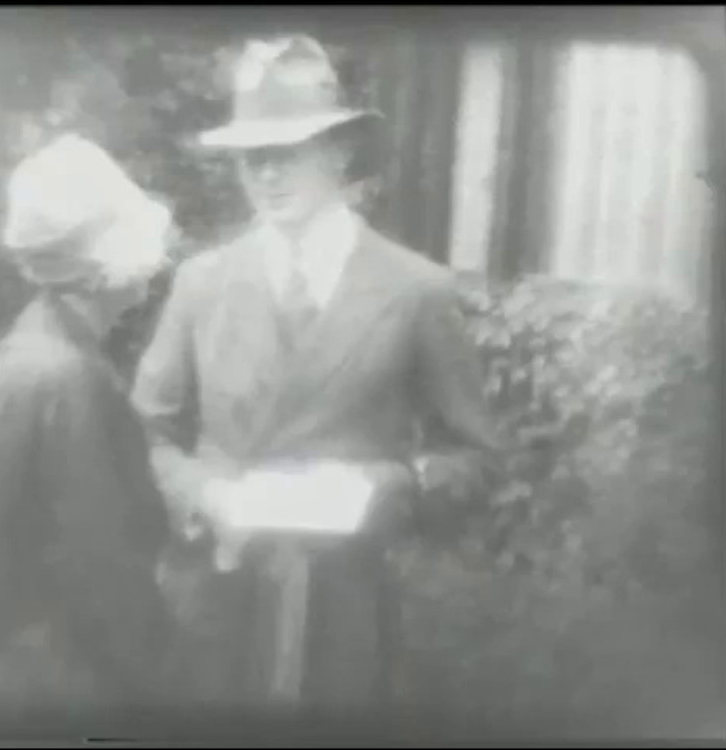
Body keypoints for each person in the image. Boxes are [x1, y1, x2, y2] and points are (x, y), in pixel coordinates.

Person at [131, 35, 505, 715]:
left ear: (338, 151)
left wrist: (385, 485)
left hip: (345, 611)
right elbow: (145, 434)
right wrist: (203, 493)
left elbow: (474, 456)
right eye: (252, 157)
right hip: (221, 600)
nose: (267, 175)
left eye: (288, 152)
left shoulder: (415, 290)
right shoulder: (202, 283)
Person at [0, 131, 176, 706]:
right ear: (102, 267)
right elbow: (100, 553)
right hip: (74, 673)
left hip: (31, 655)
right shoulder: (68, 376)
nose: (154, 266)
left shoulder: (35, 341)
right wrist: (154, 666)